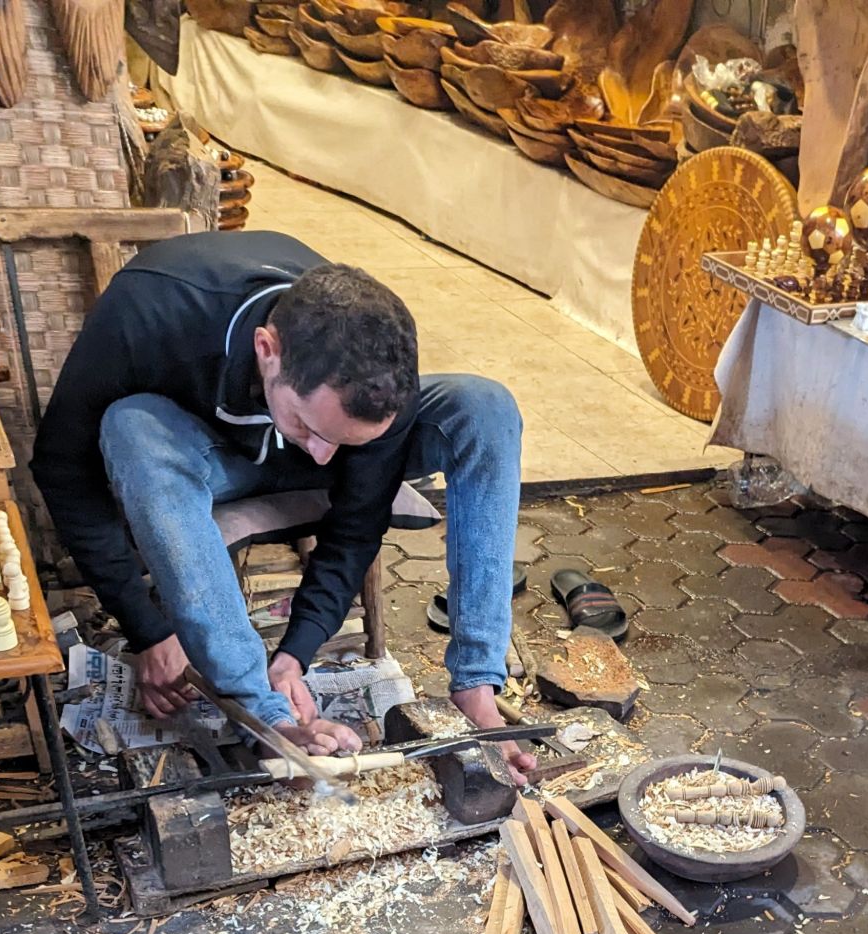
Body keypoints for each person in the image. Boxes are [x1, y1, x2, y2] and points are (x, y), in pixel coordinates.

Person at [31, 230, 536, 783]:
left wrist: (297, 651)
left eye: (343, 442)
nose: (323, 456)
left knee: (484, 408)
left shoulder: (378, 369)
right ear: (266, 349)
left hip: (310, 439)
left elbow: (357, 520)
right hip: (211, 458)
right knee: (130, 425)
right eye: (309, 426)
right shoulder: (151, 309)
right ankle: (264, 716)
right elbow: (61, 468)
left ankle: (476, 684)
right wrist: (147, 629)